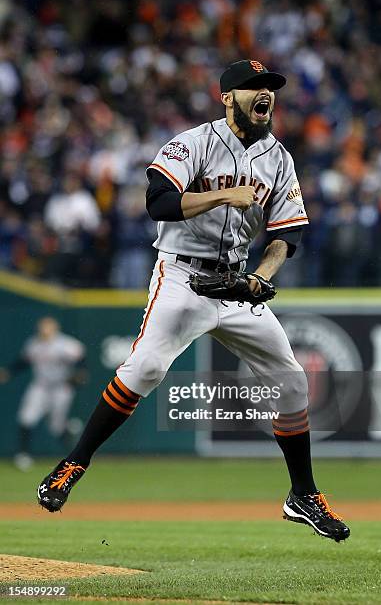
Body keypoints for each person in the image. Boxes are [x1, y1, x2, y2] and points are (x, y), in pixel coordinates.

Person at [37, 60, 350, 542]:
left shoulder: (279, 158)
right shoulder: (193, 143)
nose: (264, 94)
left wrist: (261, 278)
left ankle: (302, 495)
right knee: (144, 370)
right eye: (252, 88)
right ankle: (74, 462)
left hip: (235, 284)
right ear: (227, 97)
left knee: (291, 382)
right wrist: (223, 196)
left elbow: (288, 234)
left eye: (270, 88)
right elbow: (158, 202)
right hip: (183, 275)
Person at [0, 317, 86, 470]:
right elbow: (24, 361)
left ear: (55, 328)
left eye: (48, 327)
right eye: (42, 327)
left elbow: (81, 359)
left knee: (56, 427)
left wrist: (80, 373)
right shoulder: (33, 344)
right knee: (26, 417)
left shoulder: (65, 344)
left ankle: (75, 449)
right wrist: (8, 372)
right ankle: (23, 455)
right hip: (40, 386)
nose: (44, 330)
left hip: (61, 387)